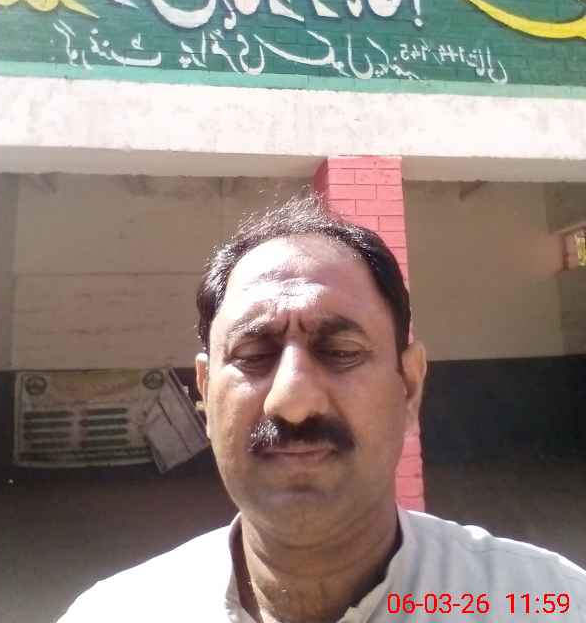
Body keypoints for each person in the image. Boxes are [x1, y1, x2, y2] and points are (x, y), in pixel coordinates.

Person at [58, 194, 586, 622]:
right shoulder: (117, 613)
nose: (292, 400)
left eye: (341, 352)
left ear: (409, 387)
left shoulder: (545, 602)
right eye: (253, 355)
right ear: (205, 392)